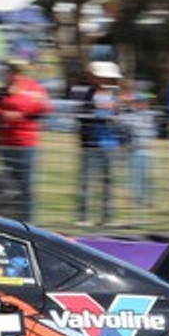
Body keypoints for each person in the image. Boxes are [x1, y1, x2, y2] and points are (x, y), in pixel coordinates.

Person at [0, 58, 51, 220]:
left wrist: (20, 114)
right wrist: (3, 114)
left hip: (25, 143)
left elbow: (44, 108)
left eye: (16, 69)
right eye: (11, 69)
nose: (14, 73)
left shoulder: (33, 88)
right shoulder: (0, 90)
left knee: (25, 183)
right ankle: (12, 217)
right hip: (6, 143)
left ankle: (26, 219)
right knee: (9, 183)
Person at [70, 59, 123, 226]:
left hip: (108, 144)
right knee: (86, 181)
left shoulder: (115, 96)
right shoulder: (85, 94)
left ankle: (106, 216)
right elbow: (80, 116)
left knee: (107, 182)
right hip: (90, 143)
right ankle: (83, 216)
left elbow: (120, 119)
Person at [117, 82, 159, 219]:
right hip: (134, 151)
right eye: (140, 101)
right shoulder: (130, 116)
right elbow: (120, 121)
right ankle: (137, 204)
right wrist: (124, 105)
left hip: (147, 151)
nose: (144, 104)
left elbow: (154, 131)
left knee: (147, 178)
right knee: (135, 178)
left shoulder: (150, 115)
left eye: (145, 102)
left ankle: (145, 203)